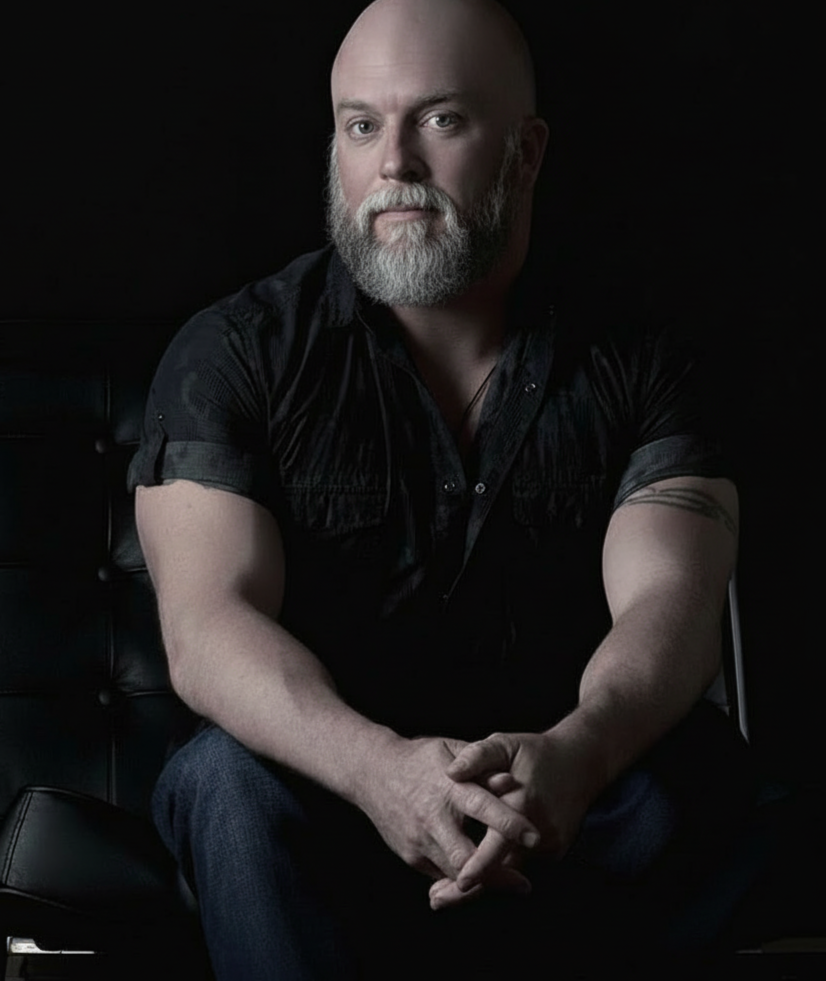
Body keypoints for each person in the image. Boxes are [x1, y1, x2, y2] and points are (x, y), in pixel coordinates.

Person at [130, 0, 758, 975]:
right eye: (362, 124)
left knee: (705, 782)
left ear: (528, 149)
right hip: (321, 792)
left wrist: (577, 758)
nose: (395, 165)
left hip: (570, 794)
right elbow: (207, 632)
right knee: (226, 787)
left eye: (442, 119)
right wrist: (383, 772)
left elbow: (670, 607)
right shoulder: (235, 355)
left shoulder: (643, 357)